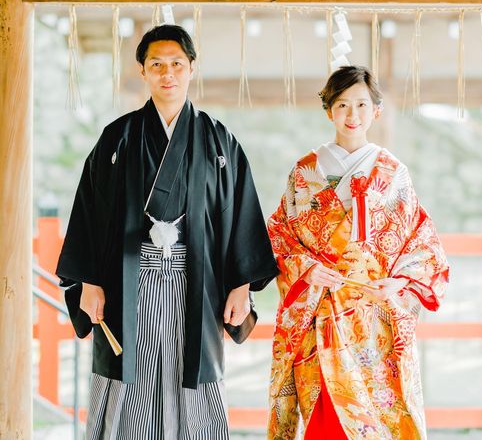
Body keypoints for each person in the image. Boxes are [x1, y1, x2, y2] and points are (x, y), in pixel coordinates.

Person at [56, 24, 279, 439]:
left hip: (198, 281)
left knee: (193, 376)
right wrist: (88, 281)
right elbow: (90, 211)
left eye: (177, 63)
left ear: (192, 67)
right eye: (156, 64)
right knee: (127, 377)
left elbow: (240, 212)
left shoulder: (219, 141)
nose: (167, 73)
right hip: (128, 281)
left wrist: (241, 285)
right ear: (142, 71)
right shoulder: (118, 138)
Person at [267, 65, 449, 439]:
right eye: (343, 105)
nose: (353, 115)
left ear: (376, 111)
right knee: (324, 413)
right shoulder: (304, 172)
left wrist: (399, 282)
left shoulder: (393, 172)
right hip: (320, 307)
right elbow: (279, 233)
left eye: (362, 105)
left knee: (378, 417)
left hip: (373, 315)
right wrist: (306, 267)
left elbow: (420, 239)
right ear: (329, 111)